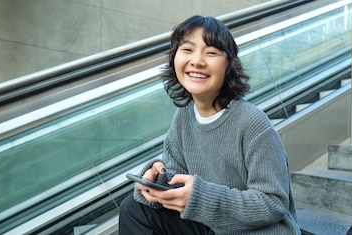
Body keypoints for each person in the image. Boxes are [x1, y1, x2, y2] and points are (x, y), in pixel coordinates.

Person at [119, 15, 301, 235]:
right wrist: (156, 180)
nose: (197, 60)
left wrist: (201, 197)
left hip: (259, 232)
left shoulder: (253, 123)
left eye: (211, 52)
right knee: (134, 208)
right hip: (211, 227)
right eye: (187, 50)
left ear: (229, 65)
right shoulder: (184, 116)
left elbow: (273, 203)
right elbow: (176, 175)